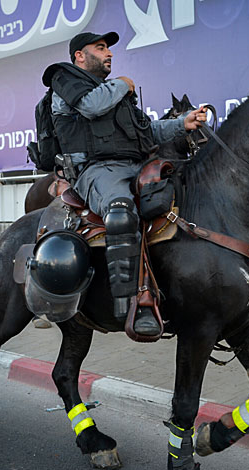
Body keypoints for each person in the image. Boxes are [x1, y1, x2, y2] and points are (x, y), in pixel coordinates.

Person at [42, 32, 207, 336]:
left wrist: (182, 123)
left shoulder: (112, 91)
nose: (109, 54)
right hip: (96, 170)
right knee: (120, 210)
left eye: (109, 49)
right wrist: (123, 83)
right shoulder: (64, 82)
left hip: (134, 165)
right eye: (101, 48)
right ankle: (130, 303)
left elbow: (145, 131)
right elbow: (91, 107)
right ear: (80, 55)